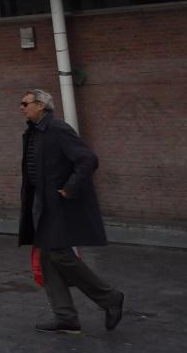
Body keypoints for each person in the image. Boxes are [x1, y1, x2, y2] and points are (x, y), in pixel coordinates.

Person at [18, 89, 124, 334]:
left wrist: (69, 188)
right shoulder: (33, 132)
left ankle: (110, 297)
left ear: (41, 105)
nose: (21, 107)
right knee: (47, 257)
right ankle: (65, 317)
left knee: (59, 253)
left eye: (25, 103)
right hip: (41, 204)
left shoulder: (57, 129)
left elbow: (88, 159)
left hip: (58, 204)